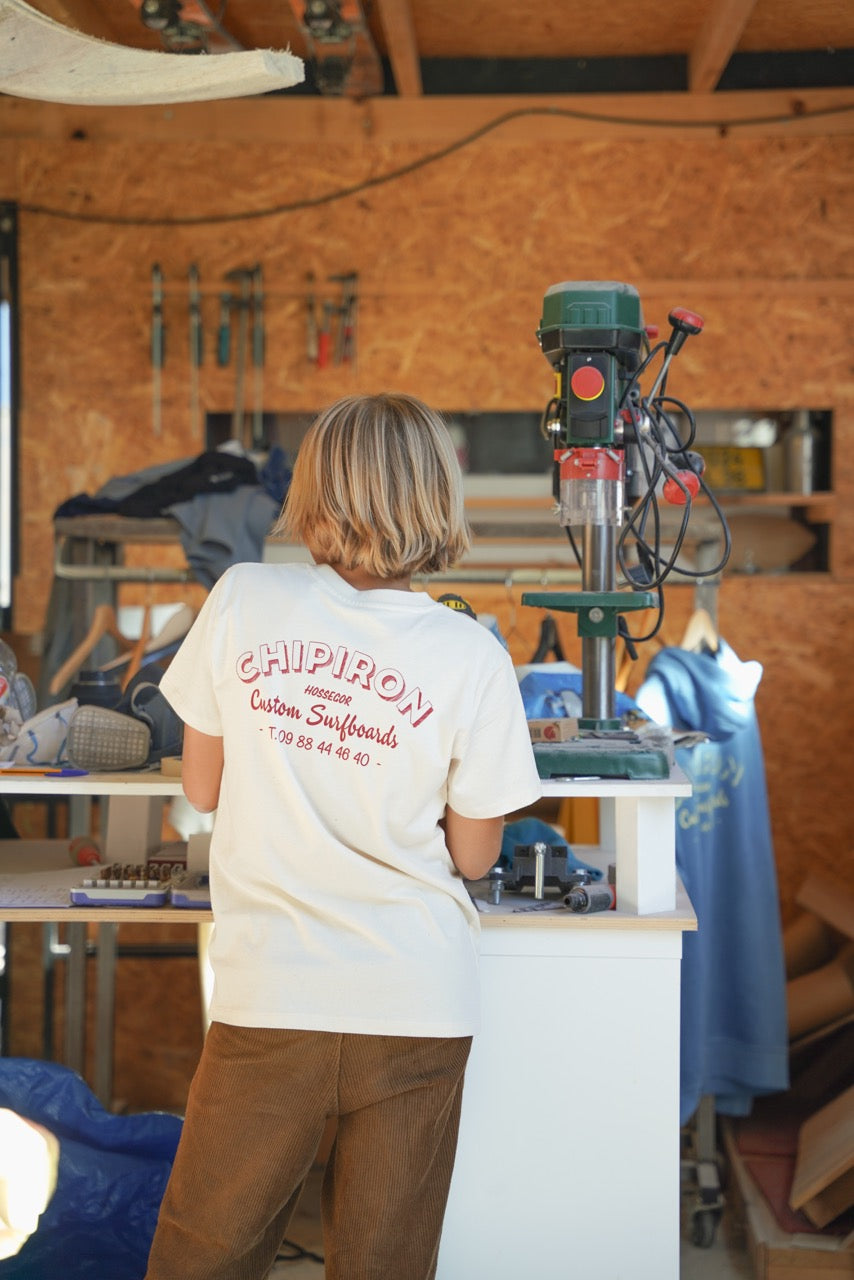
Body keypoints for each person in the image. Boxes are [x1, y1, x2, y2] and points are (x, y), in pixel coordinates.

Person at [144, 393, 541, 1280]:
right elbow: (475, 856)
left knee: (202, 1256)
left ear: (315, 492)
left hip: (271, 993)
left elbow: (201, 789)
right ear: (439, 497)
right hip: (416, 1000)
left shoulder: (244, 598)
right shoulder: (470, 652)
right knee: (384, 1265)